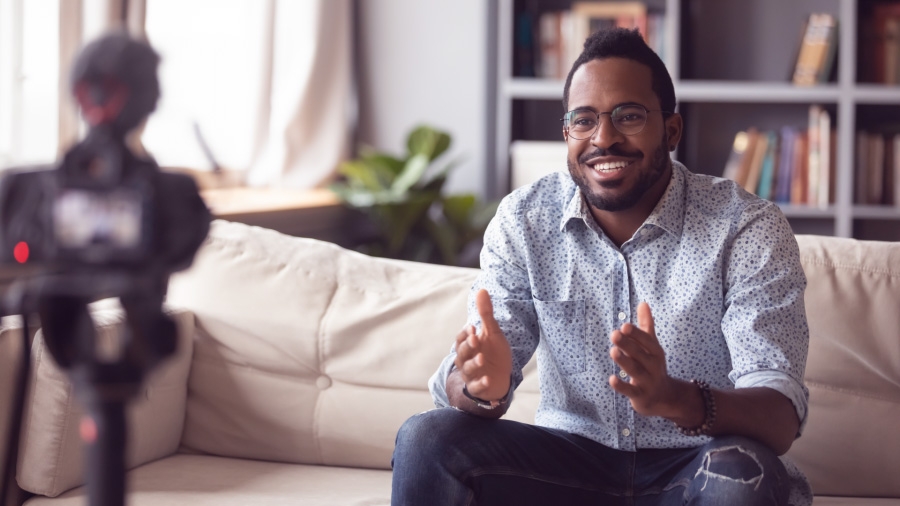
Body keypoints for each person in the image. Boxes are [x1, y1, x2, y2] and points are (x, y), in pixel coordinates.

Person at [391, 27, 811, 506]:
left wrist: (674, 397)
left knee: (742, 472)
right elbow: (471, 378)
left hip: (696, 467)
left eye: (628, 116)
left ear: (671, 130)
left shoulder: (745, 227)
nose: (604, 138)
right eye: (584, 121)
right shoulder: (525, 219)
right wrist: (480, 387)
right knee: (428, 439)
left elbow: (778, 417)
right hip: (564, 468)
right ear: (567, 133)